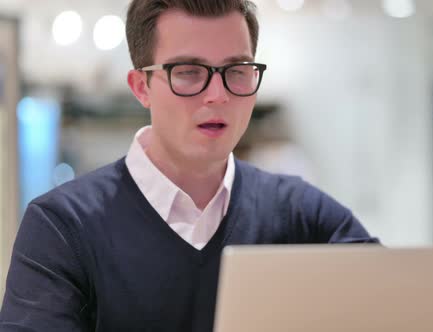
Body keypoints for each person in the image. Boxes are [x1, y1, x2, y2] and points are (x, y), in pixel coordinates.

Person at [0, 0, 378, 331]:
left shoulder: (301, 213)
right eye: (188, 72)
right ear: (141, 86)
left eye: (237, 70)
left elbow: (398, 304)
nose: (218, 95)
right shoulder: (63, 227)